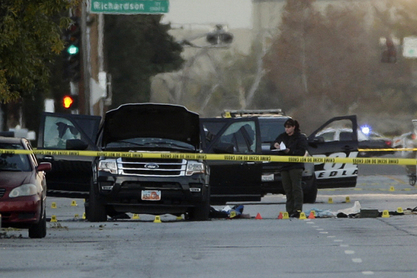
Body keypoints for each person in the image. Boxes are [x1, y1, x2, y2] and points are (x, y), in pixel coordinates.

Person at [271, 119, 308, 218]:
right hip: (284, 166)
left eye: (289, 127)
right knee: (288, 189)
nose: (286, 129)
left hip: (295, 166)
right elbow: (274, 143)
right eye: (286, 127)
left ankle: (298, 209)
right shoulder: (282, 136)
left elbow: (301, 151)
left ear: (293, 127)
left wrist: (289, 151)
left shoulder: (300, 138)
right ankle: (289, 210)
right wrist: (276, 145)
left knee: (296, 188)